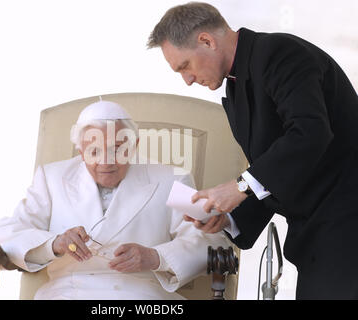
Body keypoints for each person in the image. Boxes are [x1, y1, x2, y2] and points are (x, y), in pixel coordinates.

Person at [148, 2, 358, 299]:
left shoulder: (280, 54)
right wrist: (230, 217)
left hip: (348, 224)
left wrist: (240, 186)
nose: (188, 79)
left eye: (185, 66)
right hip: (319, 236)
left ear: (206, 41)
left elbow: (310, 133)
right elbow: (276, 168)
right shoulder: (236, 84)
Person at [0, 99, 230, 300]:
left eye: (118, 148)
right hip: (66, 293)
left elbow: (212, 239)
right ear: (81, 151)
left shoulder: (171, 179)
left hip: (144, 295)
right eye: (94, 151)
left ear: (134, 145)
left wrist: (156, 257)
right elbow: (7, 233)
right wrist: (55, 243)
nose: (107, 161)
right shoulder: (52, 178)